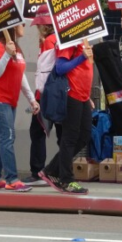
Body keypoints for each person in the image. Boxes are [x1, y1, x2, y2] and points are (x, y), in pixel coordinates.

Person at [39, 20, 95, 195]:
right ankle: (66, 179)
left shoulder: (84, 39)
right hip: (71, 95)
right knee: (70, 138)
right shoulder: (69, 38)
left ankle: (50, 170)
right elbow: (60, 67)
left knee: (84, 135)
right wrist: (81, 57)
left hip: (83, 96)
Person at [0, 24, 39, 192]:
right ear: (12, 26)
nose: (24, 27)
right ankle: (12, 179)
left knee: (2, 137)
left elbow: (19, 75)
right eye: (21, 24)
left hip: (9, 100)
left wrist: (31, 99)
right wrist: (7, 54)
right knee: (8, 136)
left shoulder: (17, 48)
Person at [23, 6, 58, 186]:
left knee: (37, 132)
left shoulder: (47, 42)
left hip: (45, 95)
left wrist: (36, 98)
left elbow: (44, 73)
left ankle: (38, 172)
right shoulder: (55, 40)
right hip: (54, 95)